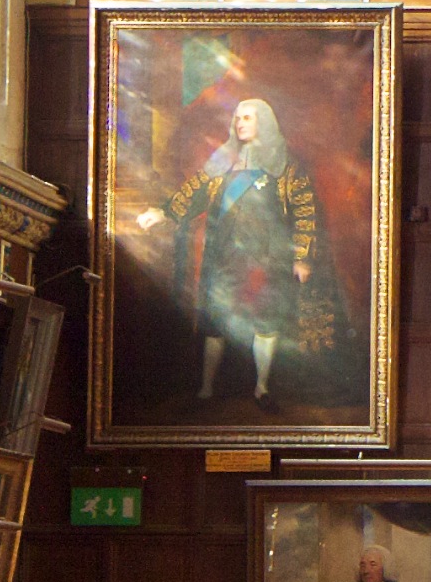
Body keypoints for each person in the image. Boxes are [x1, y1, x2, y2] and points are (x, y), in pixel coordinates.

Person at [131, 95, 330, 404]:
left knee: (266, 320)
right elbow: (192, 193)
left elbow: (305, 213)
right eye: (237, 117)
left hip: (267, 257)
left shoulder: (287, 166)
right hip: (225, 254)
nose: (240, 123)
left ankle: (261, 387)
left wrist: (302, 257)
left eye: (248, 117)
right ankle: (206, 389)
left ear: (263, 122)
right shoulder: (222, 161)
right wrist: (162, 212)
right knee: (216, 322)